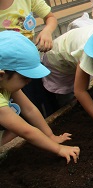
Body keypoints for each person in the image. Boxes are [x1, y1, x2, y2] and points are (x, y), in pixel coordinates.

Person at [0, 31, 80, 163]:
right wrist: (59, 149)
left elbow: (29, 109)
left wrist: (50, 136)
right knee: (17, 128)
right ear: (1, 75)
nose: (29, 81)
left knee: (15, 127)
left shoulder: (6, 83)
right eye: (25, 77)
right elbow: (26, 131)